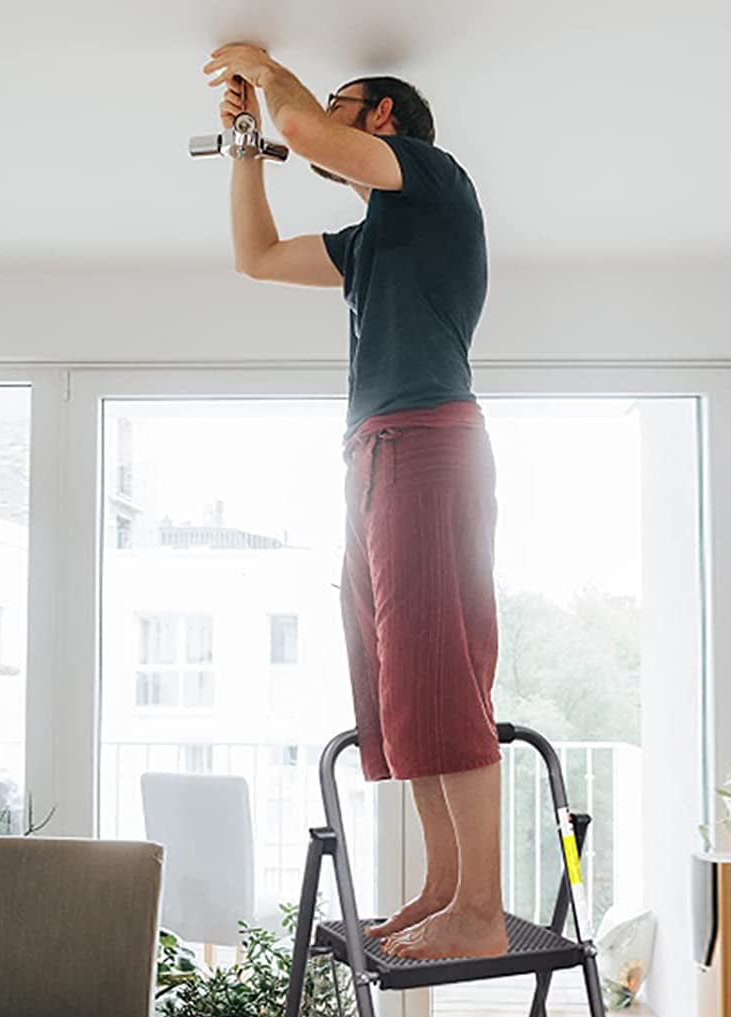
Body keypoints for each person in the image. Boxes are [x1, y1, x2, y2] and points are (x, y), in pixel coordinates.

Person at [204, 44, 507, 961]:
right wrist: (245, 148)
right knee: (400, 679)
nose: (322, 114)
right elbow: (256, 257)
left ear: (381, 118)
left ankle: (480, 912)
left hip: (427, 442)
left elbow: (303, 128)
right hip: (373, 455)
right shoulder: (369, 241)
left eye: (342, 101)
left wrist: (265, 71)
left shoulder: (436, 180)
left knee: (439, 668)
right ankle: (444, 888)